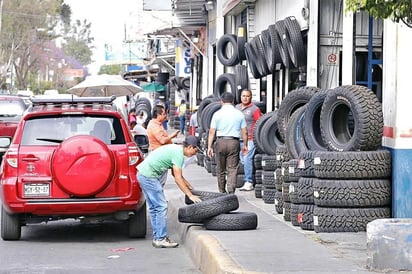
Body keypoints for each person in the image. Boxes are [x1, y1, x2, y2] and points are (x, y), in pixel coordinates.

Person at [137, 136, 202, 248]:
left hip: (142, 174)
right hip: (149, 177)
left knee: (154, 208)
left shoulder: (176, 149)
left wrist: (188, 184)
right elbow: (177, 178)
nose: (194, 154)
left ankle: (158, 238)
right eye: (195, 151)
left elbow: (176, 174)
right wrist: (190, 195)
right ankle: (161, 239)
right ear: (190, 147)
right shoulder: (178, 154)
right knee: (161, 206)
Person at [207, 92, 248, 194]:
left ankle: (222, 191)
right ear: (233, 101)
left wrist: (209, 147)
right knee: (232, 169)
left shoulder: (217, 114)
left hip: (220, 141)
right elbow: (245, 131)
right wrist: (245, 145)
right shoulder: (239, 114)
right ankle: (231, 190)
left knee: (220, 168)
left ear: (221, 101)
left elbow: (212, 131)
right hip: (234, 142)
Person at [146, 104, 179, 186]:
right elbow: (162, 140)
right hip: (159, 157)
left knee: (161, 181)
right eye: (164, 114)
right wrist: (173, 135)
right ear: (158, 115)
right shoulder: (154, 126)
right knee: (160, 181)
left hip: (163, 155)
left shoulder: (158, 124)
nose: (165, 116)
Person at [236, 88, 262, 191]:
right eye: (243, 96)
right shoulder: (236, 108)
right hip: (239, 138)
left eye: (247, 96)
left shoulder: (254, 109)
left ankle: (248, 182)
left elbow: (260, 123)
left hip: (250, 139)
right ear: (240, 97)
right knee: (242, 159)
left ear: (250, 97)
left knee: (247, 159)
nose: (245, 98)